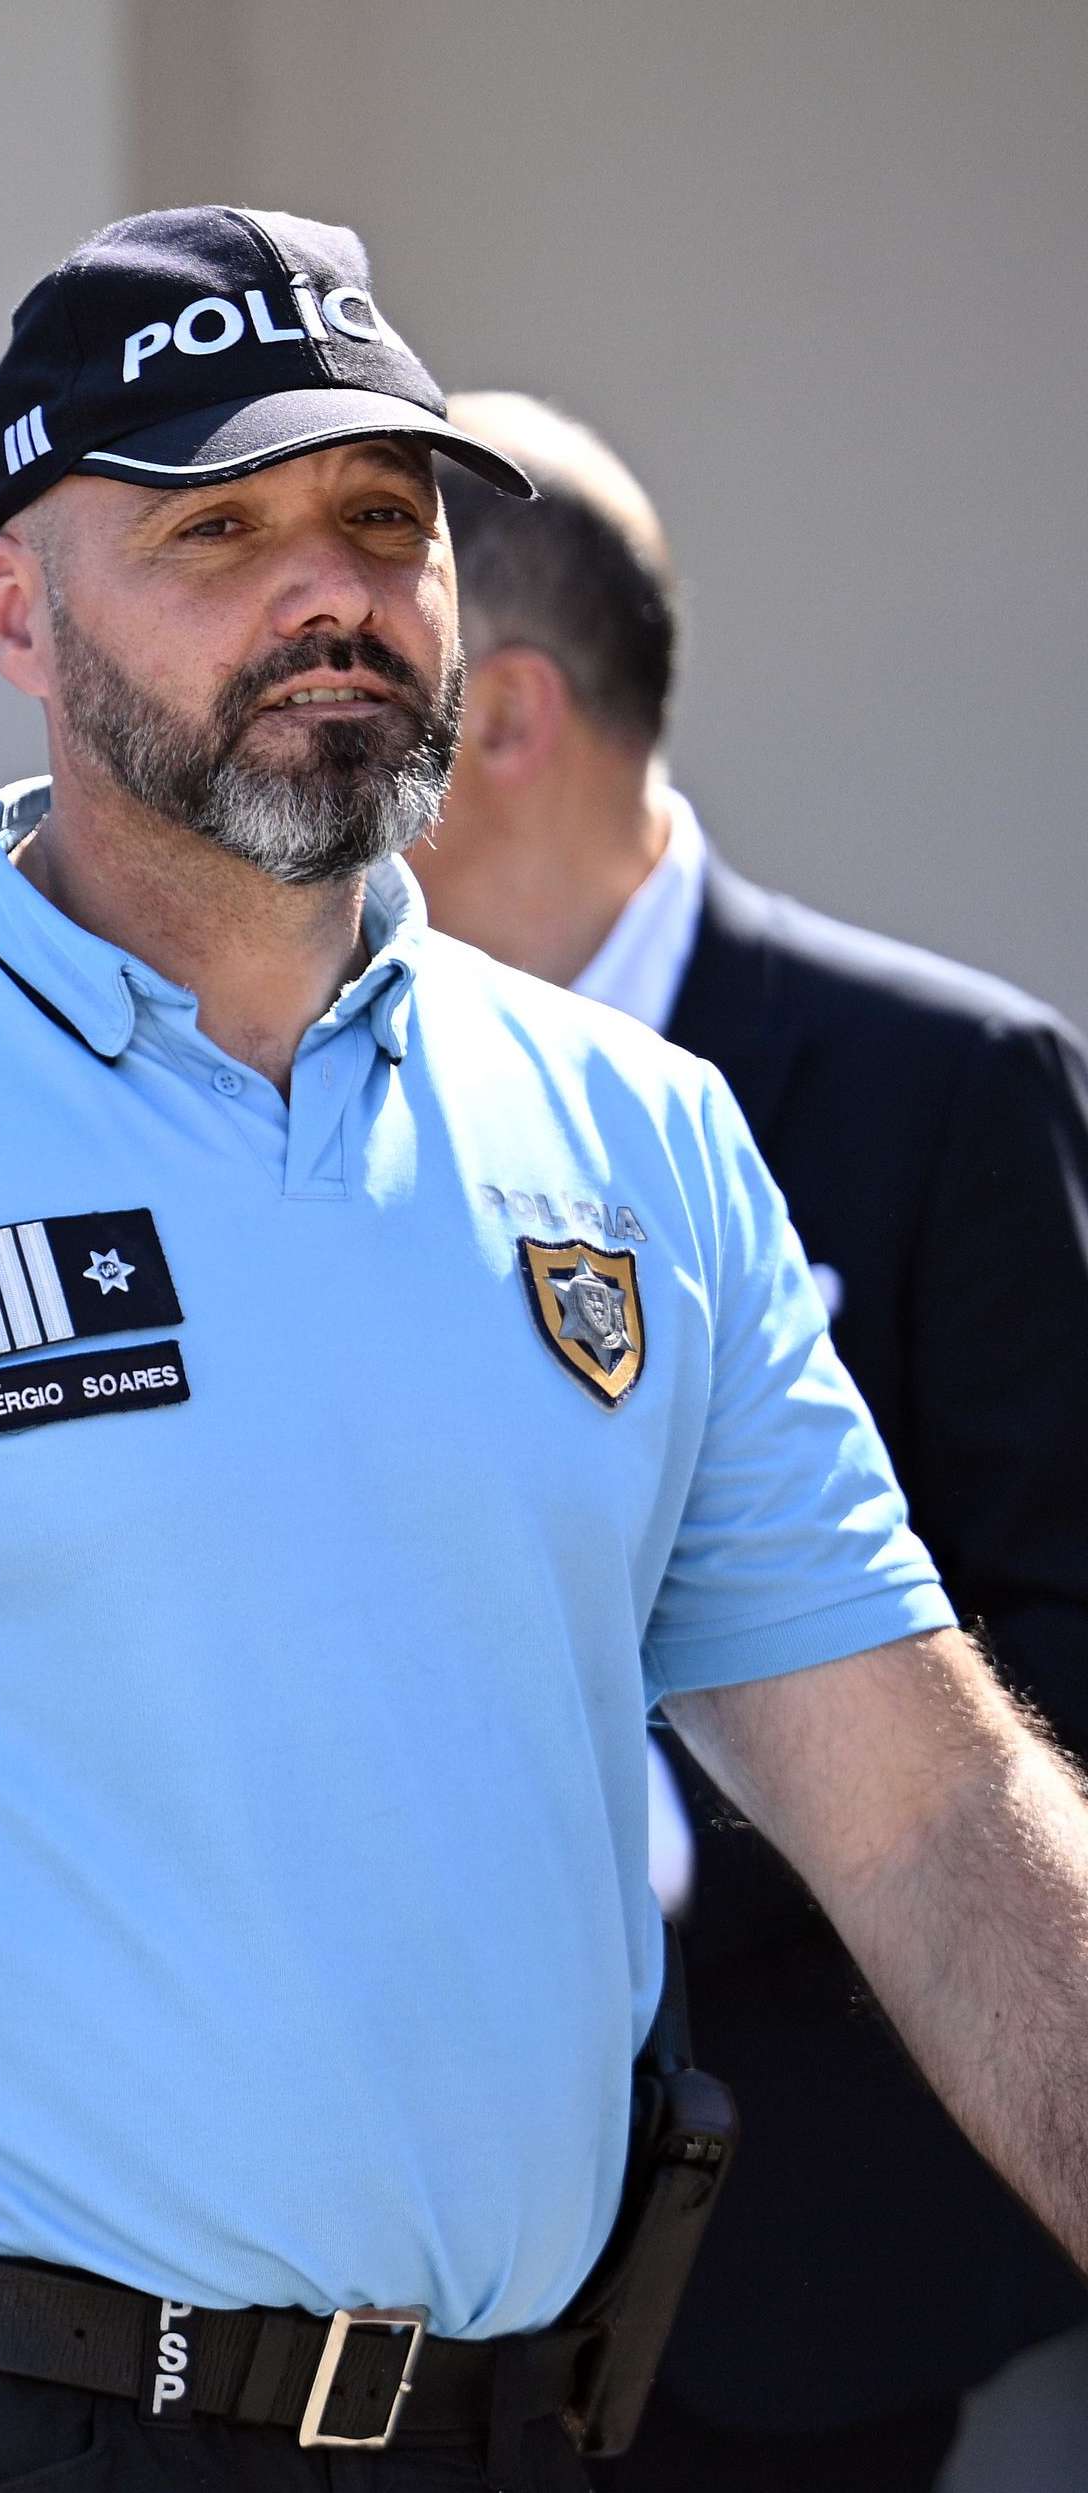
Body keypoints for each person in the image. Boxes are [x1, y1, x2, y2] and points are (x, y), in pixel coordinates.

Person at [0, 204, 1088, 2493]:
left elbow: (935, 1817)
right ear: (16, 609)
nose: (332, 590)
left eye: (386, 520)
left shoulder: (635, 1137)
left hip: (529, 2429)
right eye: (218, 528)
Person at [415, 392, 1088, 2492]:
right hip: (394, 2272)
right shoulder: (313, 1103)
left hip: (812, 2278)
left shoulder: (940, 1085)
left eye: (372, 669)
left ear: (504, 713)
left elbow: (1057, 1644)